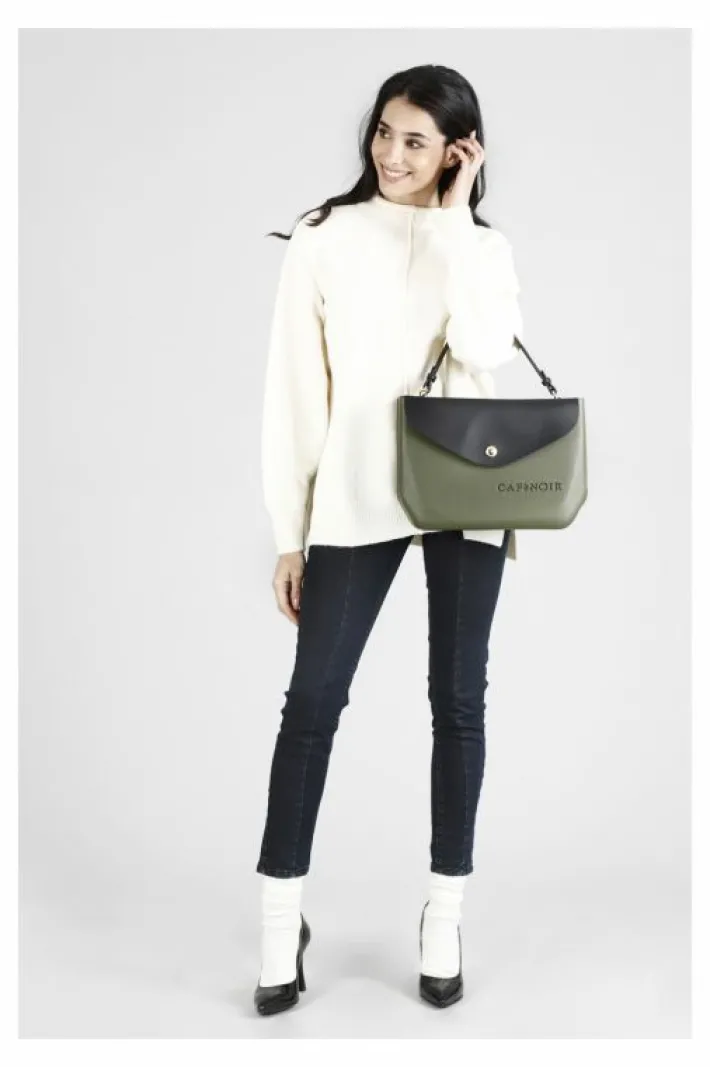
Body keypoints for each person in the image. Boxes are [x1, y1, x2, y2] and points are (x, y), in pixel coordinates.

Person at [253, 64, 524, 1016]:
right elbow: (296, 393)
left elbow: (486, 349)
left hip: (465, 489)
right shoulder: (323, 238)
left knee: (459, 700)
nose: (392, 154)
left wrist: (453, 223)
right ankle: (278, 920)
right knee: (312, 701)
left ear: (456, 151)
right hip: (355, 495)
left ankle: (444, 914)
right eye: (384, 132)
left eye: (417, 141)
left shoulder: (480, 246)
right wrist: (290, 533)